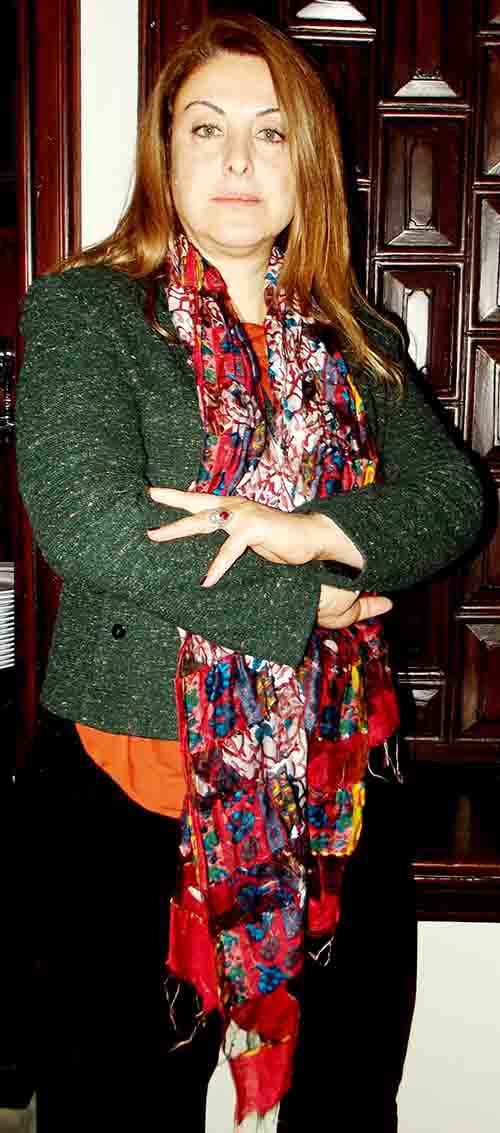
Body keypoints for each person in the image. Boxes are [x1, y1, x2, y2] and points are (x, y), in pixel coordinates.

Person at [16, 13, 484, 1133]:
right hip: (134, 781)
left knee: (348, 1096)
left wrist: (308, 528)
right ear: (164, 151)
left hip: (333, 780)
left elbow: (451, 499)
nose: (237, 160)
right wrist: (303, 601)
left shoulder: (355, 334)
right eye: (207, 127)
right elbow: (86, 519)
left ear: (305, 161)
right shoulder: (87, 311)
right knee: (117, 1106)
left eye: (270, 133)